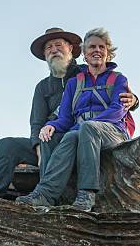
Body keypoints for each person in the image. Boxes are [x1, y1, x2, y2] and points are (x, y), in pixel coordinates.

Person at [0, 27, 138, 198]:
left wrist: (134, 100)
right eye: (48, 48)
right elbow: (37, 122)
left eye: (58, 45)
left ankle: (48, 194)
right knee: (8, 144)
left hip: (83, 133)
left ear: (72, 49)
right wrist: (37, 145)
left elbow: (116, 92)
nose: (54, 50)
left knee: (62, 137)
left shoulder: (85, 72)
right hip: (56, 134)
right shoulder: (42, 87)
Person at [16, 28, 132, 212]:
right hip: (82, 131)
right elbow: (65, 117)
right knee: (60, 136)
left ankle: (86, 194)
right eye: (92, 47)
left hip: (113, 132)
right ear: (84, 55)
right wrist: (50, 125)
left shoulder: (118, 79)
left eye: (101, 47)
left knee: (87, 128)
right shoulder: (74, 82)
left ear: (108, 52)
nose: (97, 50)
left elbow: (117, 111)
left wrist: (85, 125)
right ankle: (45, 194)